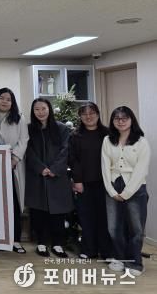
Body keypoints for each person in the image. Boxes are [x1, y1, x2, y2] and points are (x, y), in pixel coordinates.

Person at [102, 106, 150, 276]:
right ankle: (119, 258)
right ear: (112, 121)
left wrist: (127, 193)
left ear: (131, 120)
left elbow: (141, 169)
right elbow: (105, 166)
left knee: (136, 228)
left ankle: (135, 262)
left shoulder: (141, 142)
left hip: (135, 187)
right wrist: (111, 190)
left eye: (124, 118)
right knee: (114, 227)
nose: (120, 121)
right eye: (117, 118)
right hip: (113, 185)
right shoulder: (108, 140)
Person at [25, 98, 72, 258]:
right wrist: (40, 168)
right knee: (38, 211)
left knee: (58, 212)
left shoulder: (62, 128)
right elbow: (28, 151)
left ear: (49, 109)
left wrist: (54, 169)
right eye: (37, 109)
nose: (40, 112)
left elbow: (66, 150)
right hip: (37, 176)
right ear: (33, 111)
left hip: (57, 177)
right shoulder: (29, 129)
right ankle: (41, 243)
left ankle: (58, 244)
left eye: (43, 108)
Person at [0, 87, 29, 254]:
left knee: (13, 203)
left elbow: (24, 140)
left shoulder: (19, 118)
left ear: (13, 102)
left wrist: (14, 159)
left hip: (13, 165)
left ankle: (15, 240)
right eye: (2, 98)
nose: (5, 101)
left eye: (8, 99)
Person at [68, 102, 111, 260]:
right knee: (86, 217)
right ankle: (89, 249)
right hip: (84, 183)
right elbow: (73, 160)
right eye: (84, 114)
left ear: (98, 114)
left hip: (105, 183)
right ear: (80, 117)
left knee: (104, 217)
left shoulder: (108, 134)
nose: (88, 116)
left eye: (92, 113)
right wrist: (77, 180)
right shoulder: (75, 135)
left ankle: (106, 251)